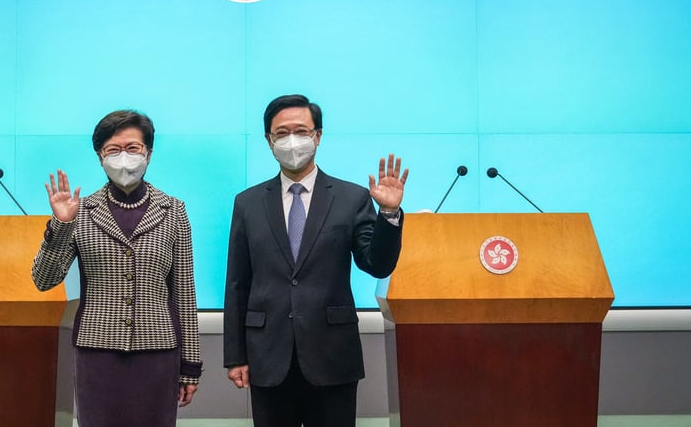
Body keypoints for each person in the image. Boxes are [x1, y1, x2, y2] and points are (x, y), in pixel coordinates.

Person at [223, 94, 408, 427]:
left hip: (332, 353)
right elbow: (237, 283)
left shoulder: (351, 197)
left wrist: (389, 213)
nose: (292, 141)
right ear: (268, 140)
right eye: (282, 133)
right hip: (267, 355)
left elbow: (377, 265)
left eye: (301, 131)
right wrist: (235, 356)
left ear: (317, 136)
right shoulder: (248, 203)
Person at [31, 109, 201, 427]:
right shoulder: (81, 211)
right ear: (100, 157)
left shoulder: (174, 210)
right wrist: (62, 225)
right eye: (113, 150)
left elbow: (184, 293)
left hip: (158, 352)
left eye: (132, 148)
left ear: (148, 154)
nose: (124, 157)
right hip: (97, 352)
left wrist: (191, 365)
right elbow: (44, 280)